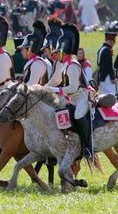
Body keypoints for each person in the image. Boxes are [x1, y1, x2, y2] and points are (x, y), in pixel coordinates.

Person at [45, 23, 93, 159]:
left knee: (78, 115)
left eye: (57, 52)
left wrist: (54, 89)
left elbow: (72, 87)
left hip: (82, 96)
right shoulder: (66, 64)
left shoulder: (72, 66)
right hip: (73, 97)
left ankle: (88, 146)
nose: (55, 55)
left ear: (62, 51)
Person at [17, 20, 51, 85]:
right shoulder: (36, 61)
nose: (21, 52)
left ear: (29, 49)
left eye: (23, 49)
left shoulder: (36, 64)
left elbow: (31, 86)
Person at [97, 28, 118, 95]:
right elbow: (109, 65)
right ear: (111, 41)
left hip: (102, 75)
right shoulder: (107, 50)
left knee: (104, 94)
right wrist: (113, 78)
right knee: (111, 94)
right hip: (107, 77)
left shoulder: (101, 49)